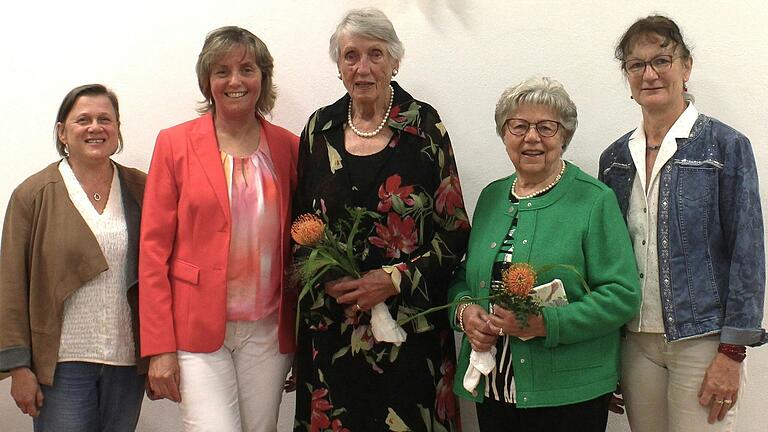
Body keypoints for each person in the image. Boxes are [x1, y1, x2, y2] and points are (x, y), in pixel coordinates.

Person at [292, 8, 469, 432]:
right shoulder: (320, 128)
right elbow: (300, 227)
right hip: (335, 333)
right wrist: (324, 278)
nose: (363, 67)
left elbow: (455, 230)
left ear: (395, 61)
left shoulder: (425, 127)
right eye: (351, 56)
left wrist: (393, 279)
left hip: (411, 333)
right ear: (339, 66)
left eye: (376, 54)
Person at [599, 15, 766, 431]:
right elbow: (607, 258)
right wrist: (608, 350)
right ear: (627, 76)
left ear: (686, 67)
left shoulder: (725, 146)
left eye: (662, 60)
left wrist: (733, 352)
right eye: (636, 65)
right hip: (635, 341)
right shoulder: (615, 159)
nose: (649, 74)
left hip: (704, 341)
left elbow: (748, 250)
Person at [448, 77, 641, 432]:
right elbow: (464, 276)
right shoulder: (491, 197)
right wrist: (464, 312)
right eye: (518, 126)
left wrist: (546, 324)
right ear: (504, 134)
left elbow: (621, 295)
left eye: (546, 127)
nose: (531, 137)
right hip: (494, 385)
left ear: (564, 136)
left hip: (568, 394)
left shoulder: (594, 199)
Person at [139, 26, 298, 431]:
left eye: (247, 69)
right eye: (222, 71)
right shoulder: (174, 144)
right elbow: (152, 252)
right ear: (207, 82)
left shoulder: (289, 147)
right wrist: (159, 348)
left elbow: (302, 240)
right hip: (196, 330)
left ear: (263, 78)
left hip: (267, 331)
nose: (235, 81)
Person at [0, 84, 146, 431]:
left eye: (105, 119)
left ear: (118, 130)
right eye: (83, 119)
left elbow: (159, 273)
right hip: (61, 366)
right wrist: (19, 367)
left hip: (126, 363)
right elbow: (10, 287)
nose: (96, 127)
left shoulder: (142, 188)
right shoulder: (33, 194)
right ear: (62, 132)